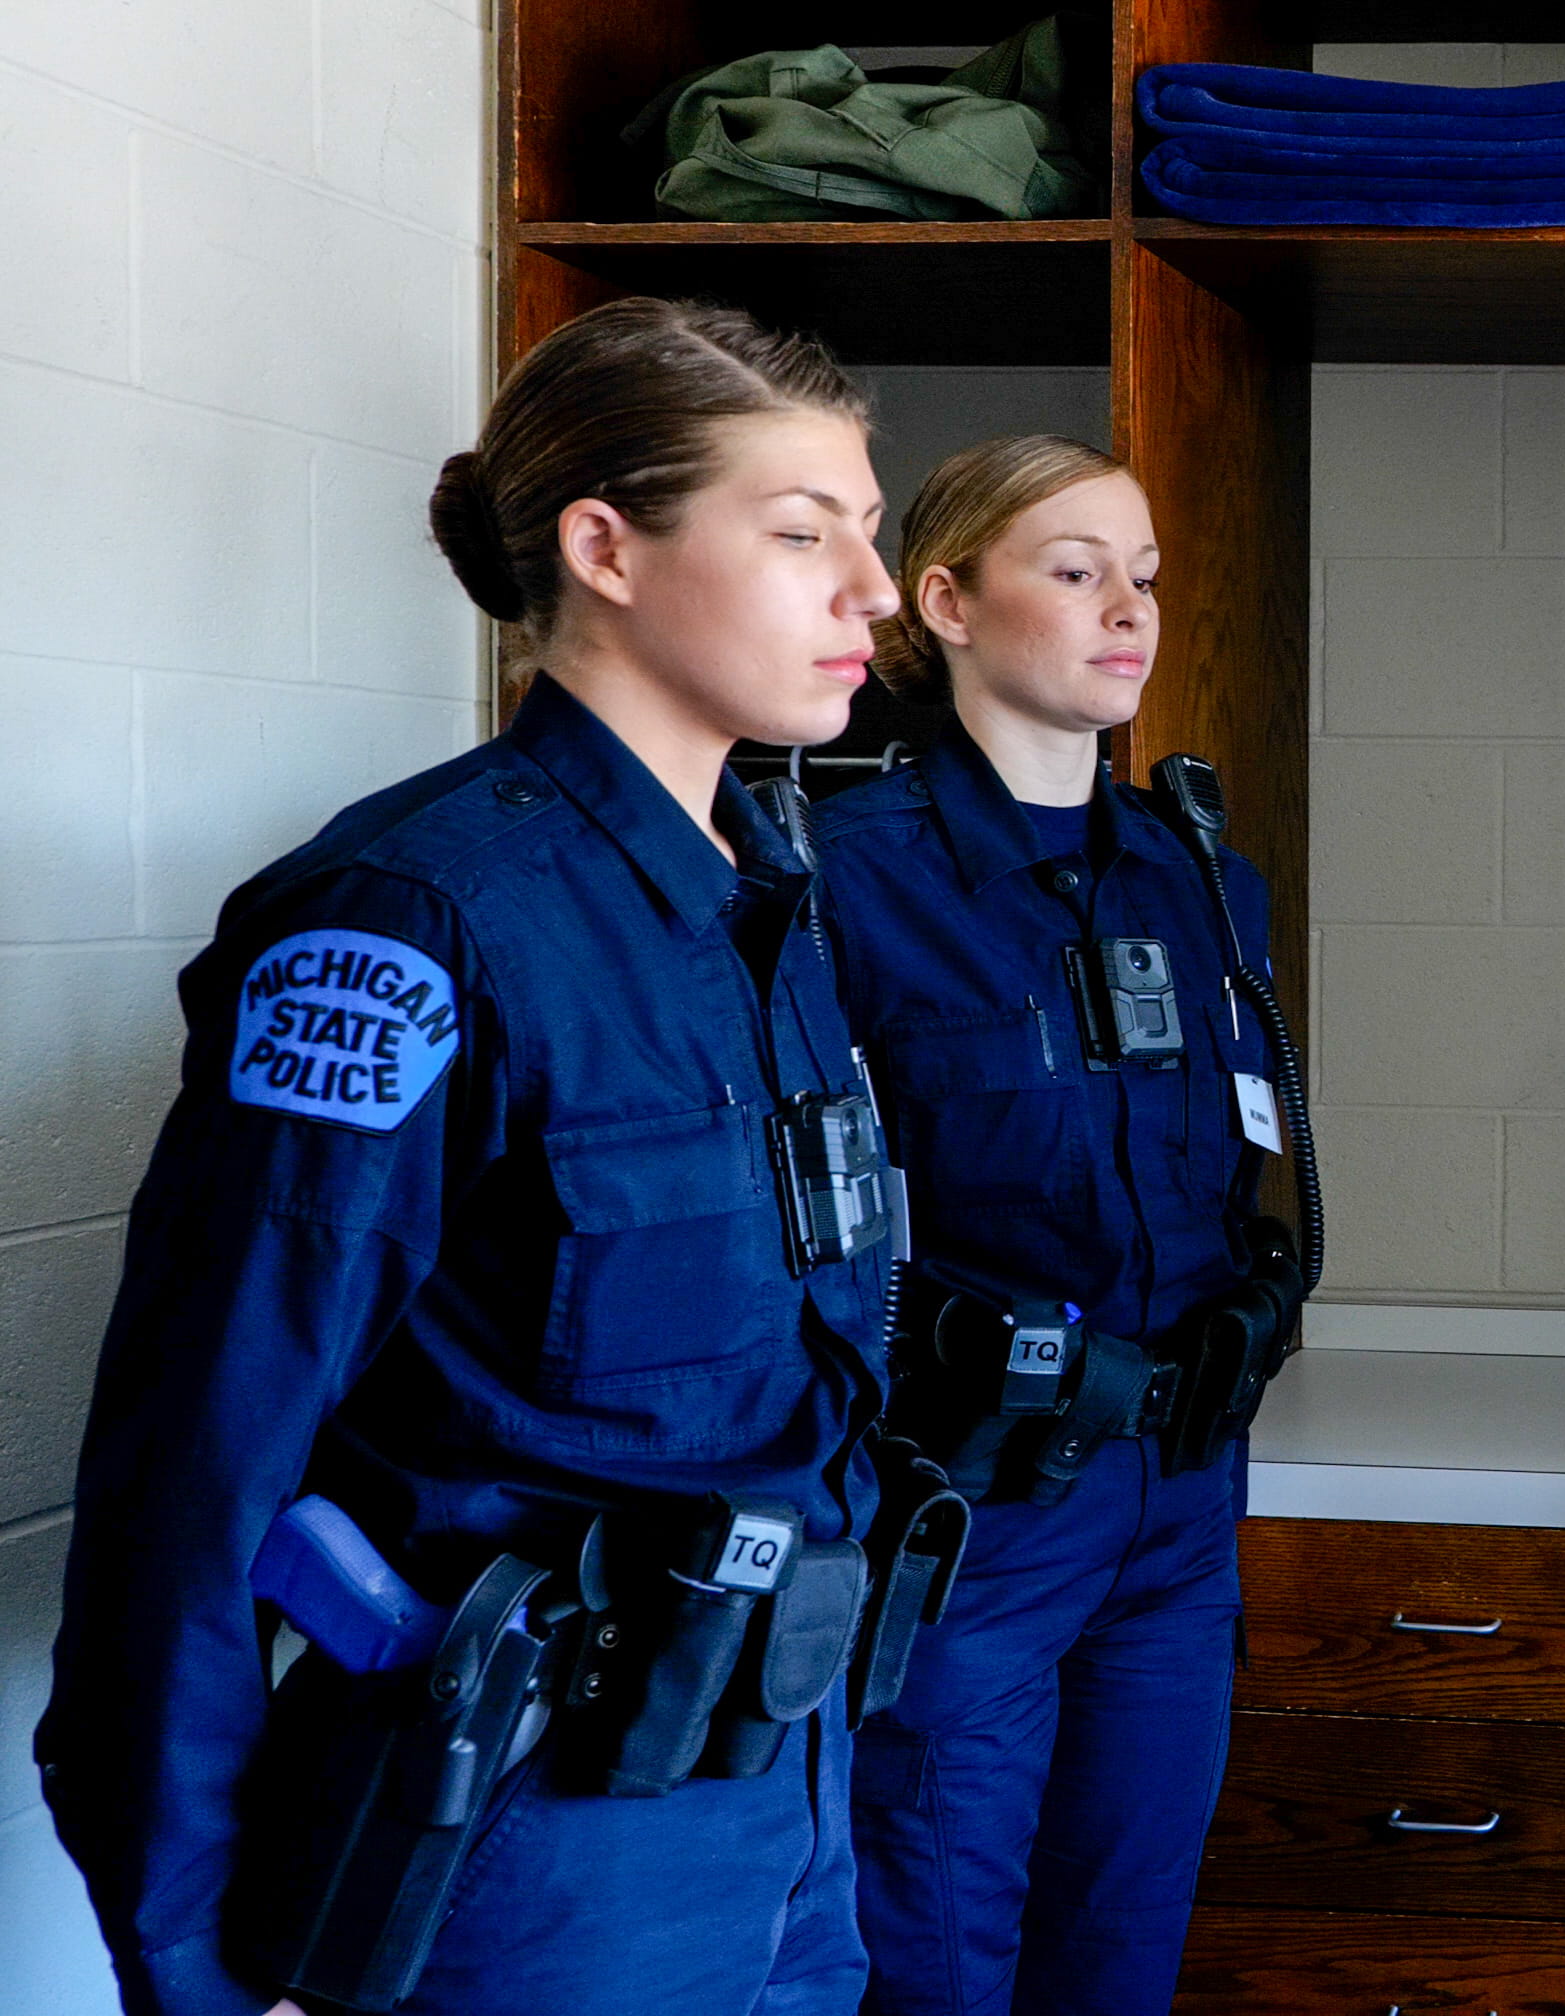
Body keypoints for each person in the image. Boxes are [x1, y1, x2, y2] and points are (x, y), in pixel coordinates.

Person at [39, 296, 920, 2016]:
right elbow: (194, 1465)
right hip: (524, 1842)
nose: (872, 596)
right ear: (606, 548)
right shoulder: (412, 925)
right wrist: (191, 1950)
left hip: (785, 1804)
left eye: (870, 538)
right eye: (804, 535)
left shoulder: (764, 903)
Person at [810, 435, 1308, 2015]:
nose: (1128, 610)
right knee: (941, 1960)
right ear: (944, 601)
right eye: (1075, 570)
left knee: (1124, 1946)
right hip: (973, 1507)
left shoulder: (1197, 873)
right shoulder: (843, 879)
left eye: (1145, 575)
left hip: (1177, 1500)